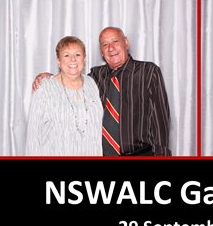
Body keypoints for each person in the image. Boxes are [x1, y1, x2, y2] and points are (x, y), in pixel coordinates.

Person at [33, 27, 171, 156]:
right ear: (101, 51)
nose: (111, 48)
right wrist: (50, 77)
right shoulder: (95, 76)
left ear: (126, 42)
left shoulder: (148, 71)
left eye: (115, 41)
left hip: (140, 154)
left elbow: (161, 120)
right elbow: (72, 80)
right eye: (105, 44)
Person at [25, 36, 102, 156]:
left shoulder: (91, 83)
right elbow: (33, 137)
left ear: (84, 58)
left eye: (77, 54)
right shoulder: (45, 88)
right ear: (58, 61)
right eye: (66, 55)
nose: (73, 59)